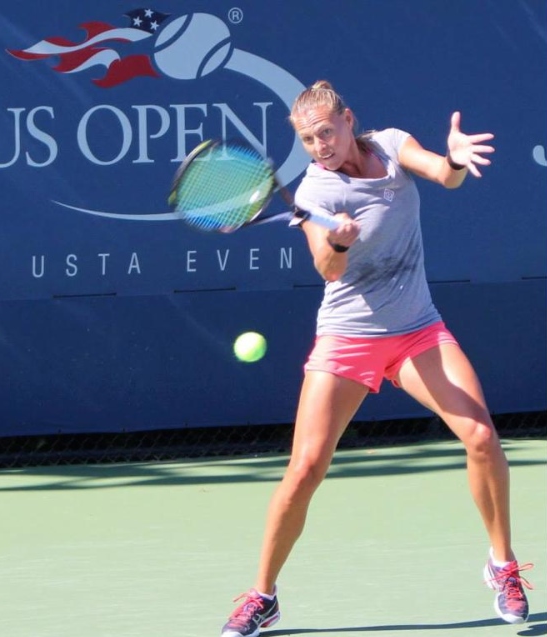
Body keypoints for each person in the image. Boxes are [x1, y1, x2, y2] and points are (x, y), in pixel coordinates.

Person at [220, 80, 533, 637]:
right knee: (305, 470)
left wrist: (455, 160)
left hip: (417, 330)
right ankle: (262, 594)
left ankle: (502, 564)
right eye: (308, 139)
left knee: (482, 438)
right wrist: (337, 242)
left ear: (348, 121)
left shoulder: (390, 145)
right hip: (347, 336)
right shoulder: (317, 191)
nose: (320, 146)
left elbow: (443, 175)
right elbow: (327, 269)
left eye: (326, 132)